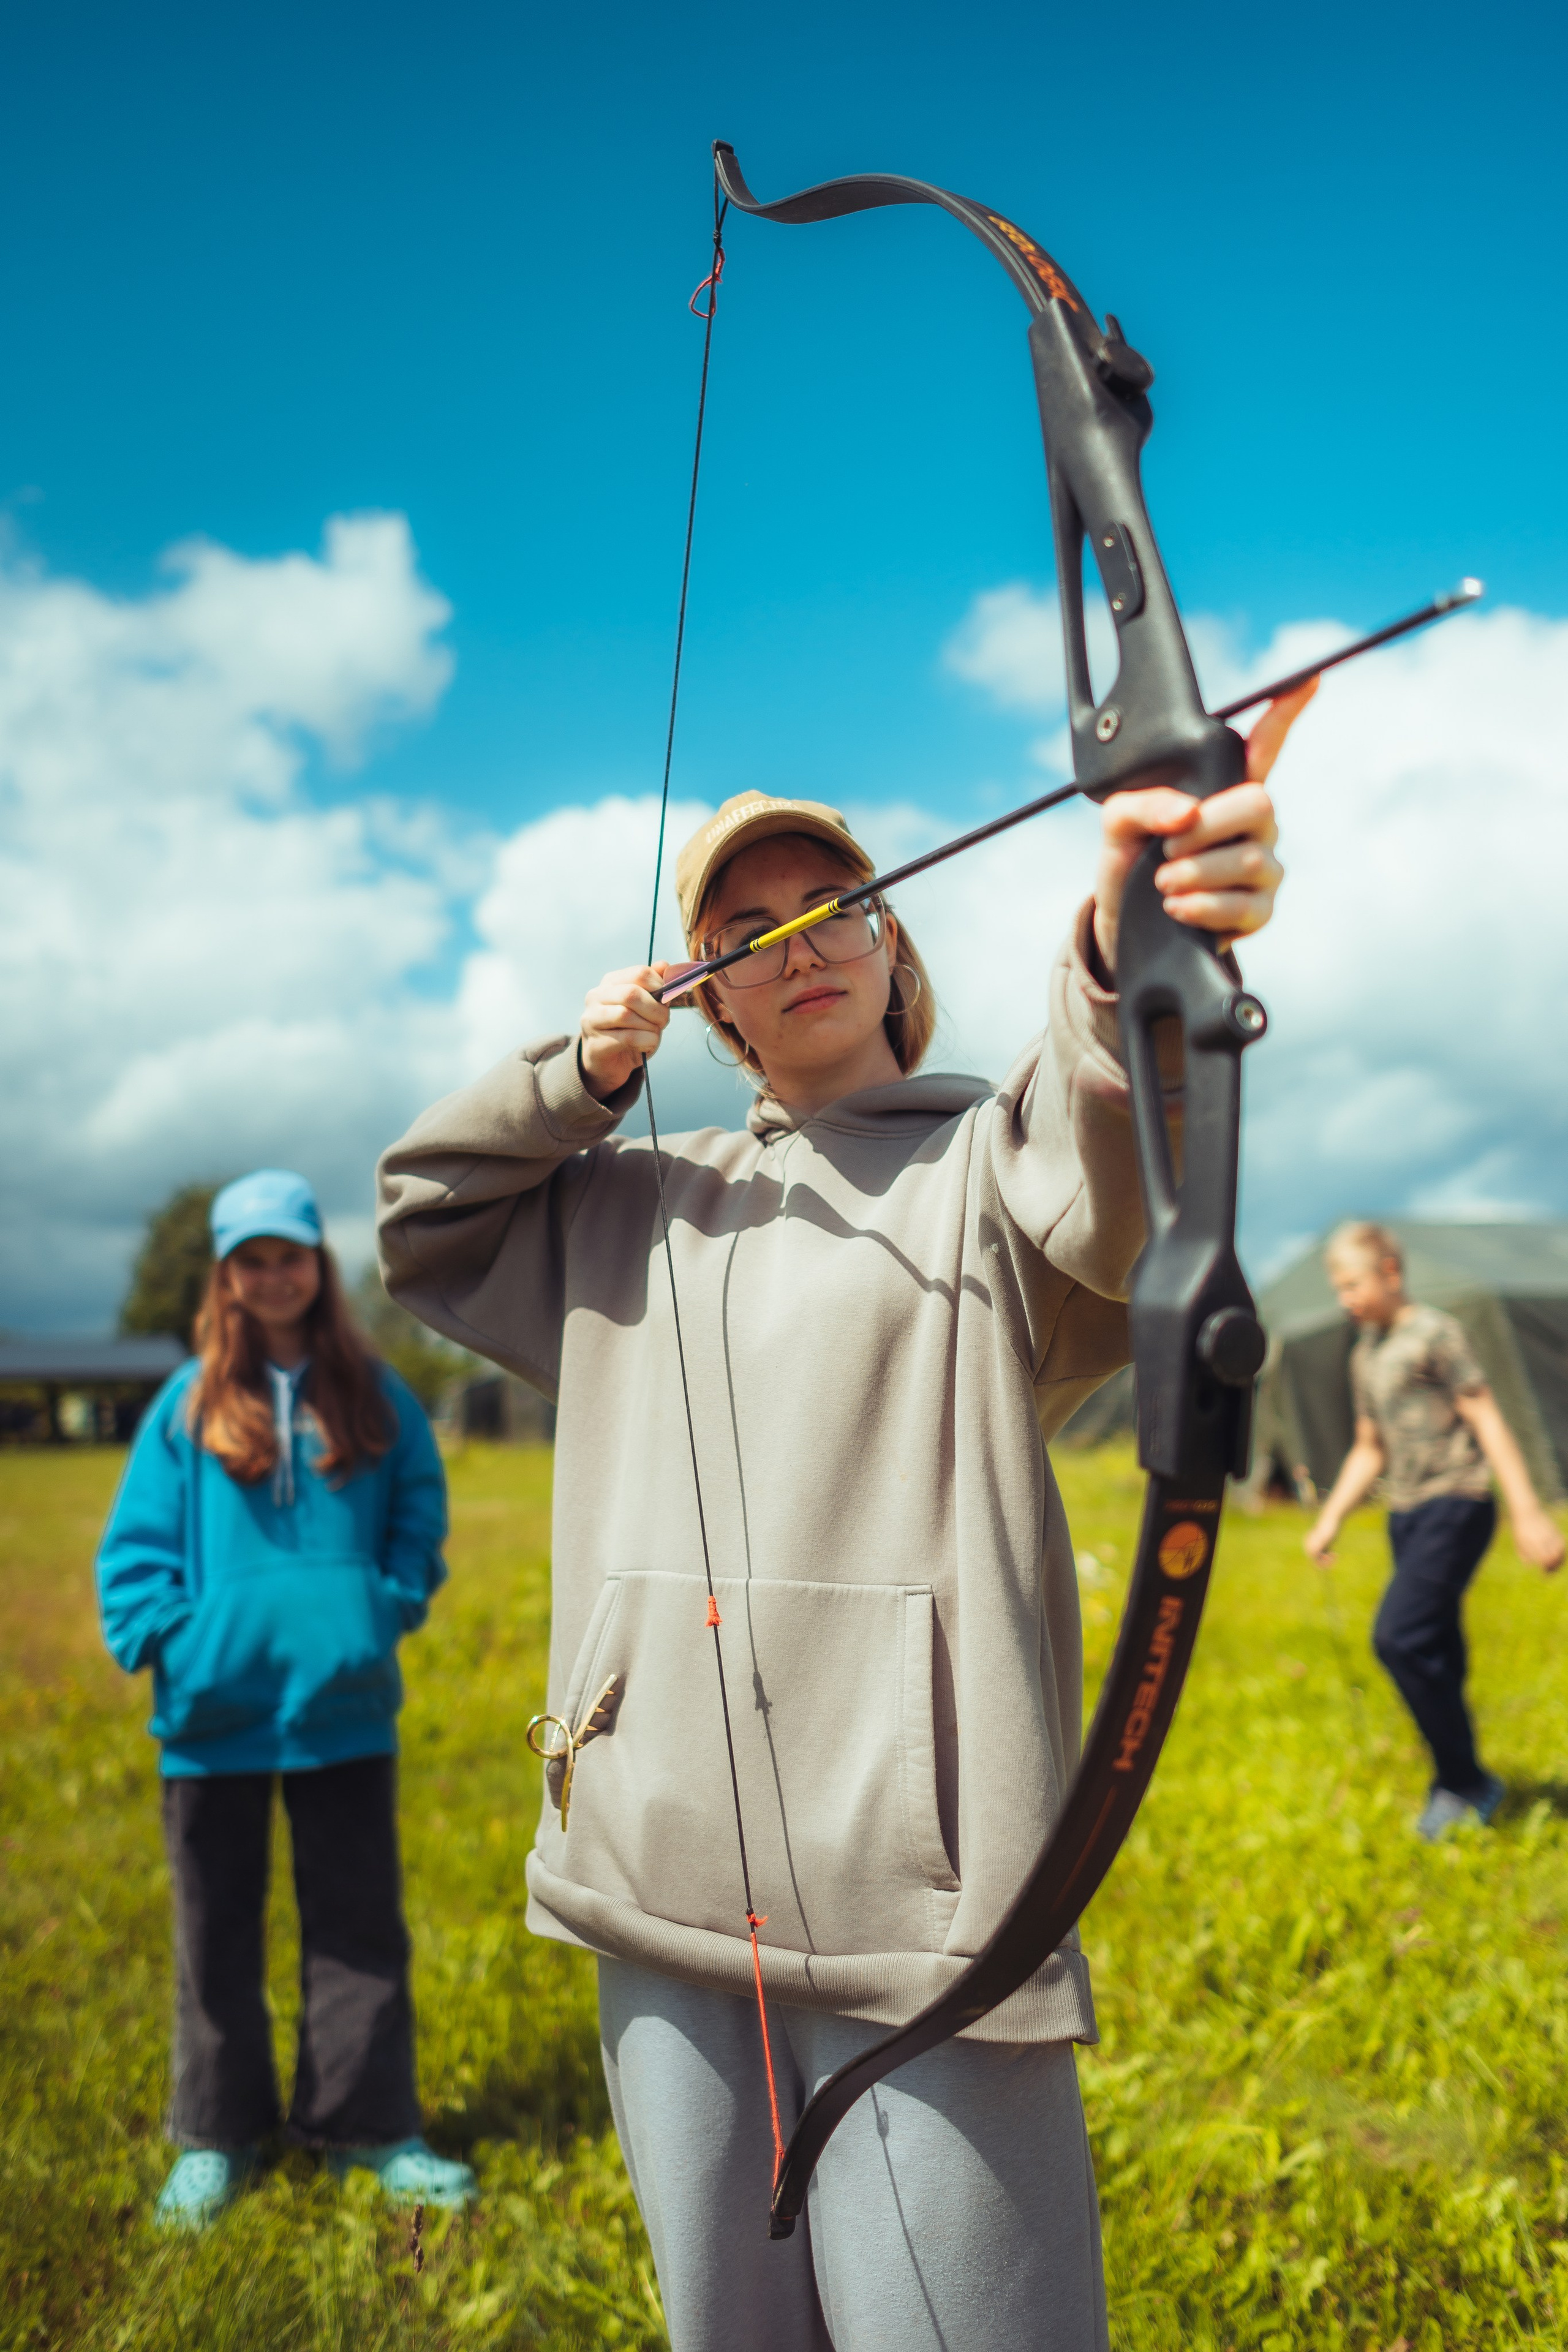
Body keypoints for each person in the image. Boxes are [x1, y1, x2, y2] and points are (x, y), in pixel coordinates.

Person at [377, 704, 1301, 2352]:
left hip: (925, 1910)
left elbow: (1113, 1170)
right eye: (745, 932)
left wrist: (1128, 937)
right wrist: (573, 1080)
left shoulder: (991, 1165)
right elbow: (422, 1222)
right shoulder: (626, 1205)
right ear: (704, 1000)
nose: (796, 941)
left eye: (832, 905)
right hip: (654, 1874)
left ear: (889, 942)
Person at [96, 1169, 475, 2230]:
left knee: (359, 1926)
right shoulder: (185, 1406)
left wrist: (384, 1604)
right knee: (215, 1935)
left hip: (343, 1710)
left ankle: (368, 2128)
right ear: (226, 1276)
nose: (273, 1277)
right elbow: (132, 1554)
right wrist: (176, 1642)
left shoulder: (374, 1394)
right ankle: (218, 2136)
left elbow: (418, 1509)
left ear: (319, 1266)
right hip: (213, 1723)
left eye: (290, 1256)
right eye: (251, 1260)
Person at [1304, 1220, 1565, 1839]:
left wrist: (1527, 1511)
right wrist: (1330, 1518)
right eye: (1337, 1289)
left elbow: (1487, 1418)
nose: (1346, 1300)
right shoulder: (1363, 1352)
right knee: (1436, 1650)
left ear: (1390, 1273)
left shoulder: (1435, 1334)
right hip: (1408, 1513)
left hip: (1459, 1502)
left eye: (1353, 1285)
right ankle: (1468, 1776)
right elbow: (1370, 1447)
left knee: (1398, 1637)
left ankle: (1461, 1781)